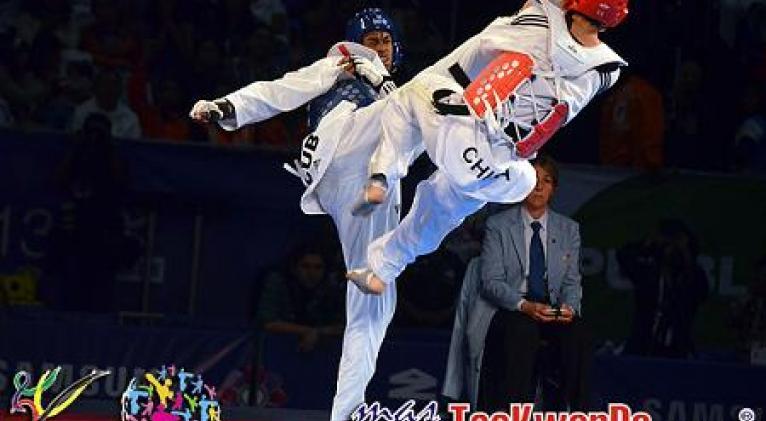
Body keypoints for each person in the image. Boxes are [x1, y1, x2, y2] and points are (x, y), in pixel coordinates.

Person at [189, 9, 403, 421]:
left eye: (385, 41)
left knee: (376, 299)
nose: (379, 48)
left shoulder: (387, 88)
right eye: (372, 41)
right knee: (425, 101)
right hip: (346, 148)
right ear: (356, 45)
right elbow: (281, 90)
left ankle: (346, 411)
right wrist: (228, 107)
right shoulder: (342, 65)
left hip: (363, 184)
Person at [346, 0, 629, 295]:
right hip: (506, 172)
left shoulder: (543, 14)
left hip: (471, 137)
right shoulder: (607, 70)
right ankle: (383, 270)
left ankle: (381, 176)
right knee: (439, 209)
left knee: (414, 91)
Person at [475, 155, 591, 411]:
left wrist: (569, 308)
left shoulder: (569, 229)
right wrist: (524, 305)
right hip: (514, 307)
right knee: (522, 331)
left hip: (552, 309)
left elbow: (572, 282)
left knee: (577, 332)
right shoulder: (498, 225)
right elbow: (491, 282)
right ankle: (512, 411)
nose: (539, 187)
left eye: (546, 181)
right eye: (533, 179)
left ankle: (575, 411)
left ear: (554, 189)